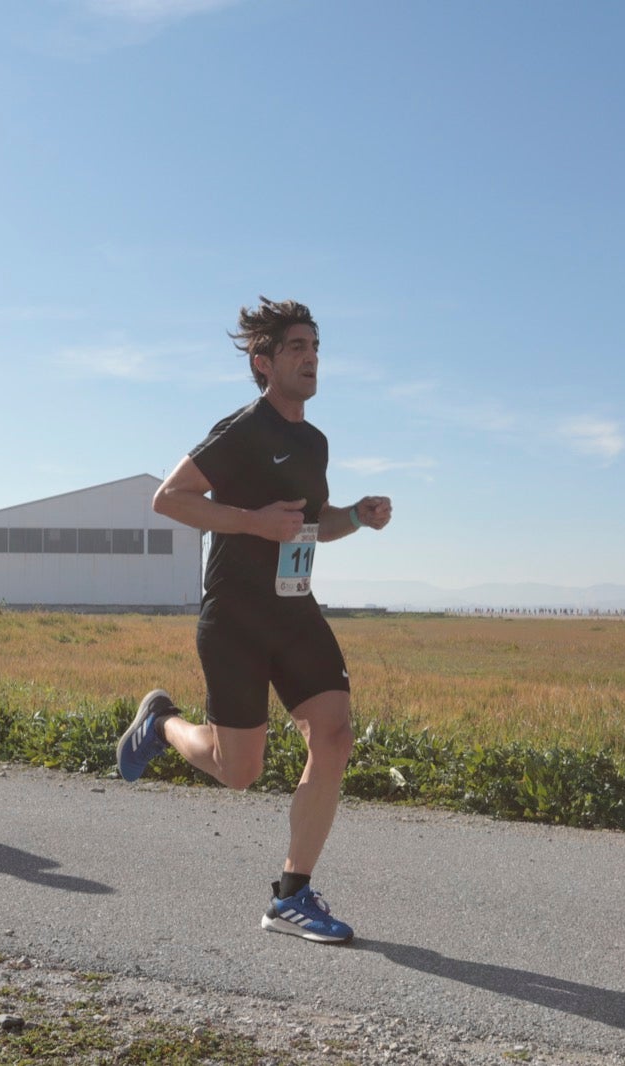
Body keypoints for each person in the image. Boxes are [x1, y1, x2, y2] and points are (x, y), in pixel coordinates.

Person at [116, 297, 392, 945]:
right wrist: (250, 521)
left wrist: (355, 515)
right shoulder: (243, 428)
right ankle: (160, 722)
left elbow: (308, 526)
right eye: (296, 348)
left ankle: (292, 895)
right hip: (236, 616)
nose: (311, 358)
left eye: (315, 347)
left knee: (334, 735)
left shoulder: (312, 440)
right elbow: (170, 498)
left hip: (294, 610)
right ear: (263, 362)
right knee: (238, 771)